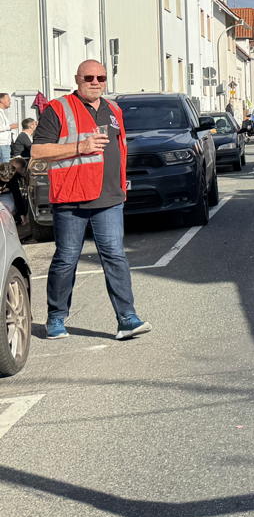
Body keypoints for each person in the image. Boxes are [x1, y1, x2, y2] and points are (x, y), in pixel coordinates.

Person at [30, 60, 151, 340]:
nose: (95, 82)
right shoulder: (58, 108)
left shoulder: (114, 109)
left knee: (115, 257)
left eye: (101, 78)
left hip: (109, 197)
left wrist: (121, 187)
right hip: (71, 198)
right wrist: (80, 147)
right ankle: (56, 318)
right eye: (89, 77)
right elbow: (38, 151)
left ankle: (127, 318)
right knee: (66, 259)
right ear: (77, 79)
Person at [0, 93, 17, 163]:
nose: (10, 102)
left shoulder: (3, 112)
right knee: (5, 165)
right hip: (2, 143)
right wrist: (10, 126)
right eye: (8, 100)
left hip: (5, 143)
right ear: (1, 100)